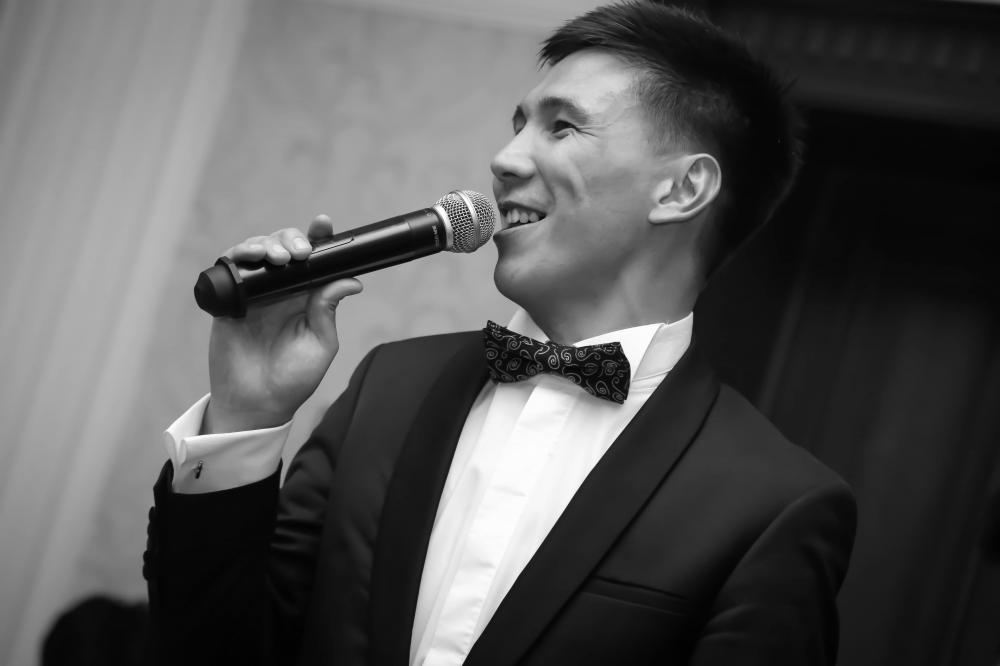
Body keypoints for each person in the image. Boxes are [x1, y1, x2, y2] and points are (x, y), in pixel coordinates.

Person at [144, 2, 856, 665]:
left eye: (562, 127)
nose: (506, 159)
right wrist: (245, 415)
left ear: (682, 190)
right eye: (518, 124)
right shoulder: (387, 389)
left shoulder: (772, 505)